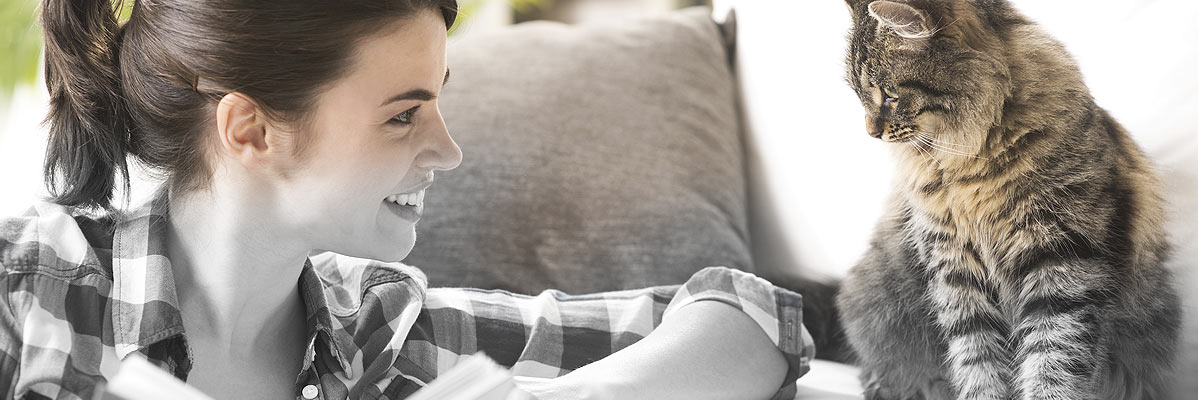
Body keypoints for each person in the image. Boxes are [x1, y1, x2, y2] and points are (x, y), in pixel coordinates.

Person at [0, 0, 813, 399]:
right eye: (402, 116)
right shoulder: (25, 293)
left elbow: (750, 319)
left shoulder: (386, 332)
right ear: (249, 128)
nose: (448, 151)